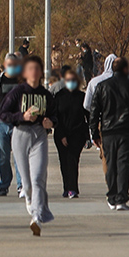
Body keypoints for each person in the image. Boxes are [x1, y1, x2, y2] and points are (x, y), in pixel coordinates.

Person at [0, 55, 57, 235]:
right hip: (21, 134)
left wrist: (50, 123)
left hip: (39, 135)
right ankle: (31, 204)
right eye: (30, 68)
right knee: (27, 183)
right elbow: (3, 113)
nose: (34, 72)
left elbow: (56, 115)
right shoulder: (17, 92)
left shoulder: (46, 95)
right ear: (24, 72)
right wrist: (21, 117)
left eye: (37, 68)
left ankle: (37, 218)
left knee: (39, 177)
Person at [89, 56, 129, 210]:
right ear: (126, 69)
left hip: (108, 132)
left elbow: (94, 112)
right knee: (123, 164)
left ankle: (112, 196)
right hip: (128, 131)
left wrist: (94, 133)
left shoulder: (102, 86)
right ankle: (121, 198)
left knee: (111, 163)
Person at [0, 53, 24, 197]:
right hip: (1, 123)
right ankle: (4, 184)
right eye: (9, 65)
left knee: (19, 155)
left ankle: (21, 186)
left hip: (18, 123)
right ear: (4, 65)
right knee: (4, 156)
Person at [52, 68, 89, 198]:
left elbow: (88, 116)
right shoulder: (59, 96)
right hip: (61, 134)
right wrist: (61, 135)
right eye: (68, 80)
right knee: (64, 161)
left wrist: (88, 135)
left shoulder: (81, 97)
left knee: (73, 160)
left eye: (73, 80)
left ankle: (73, 188)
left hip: (77, 134)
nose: (71, 82)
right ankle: (66, 187)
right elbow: (56, 116)